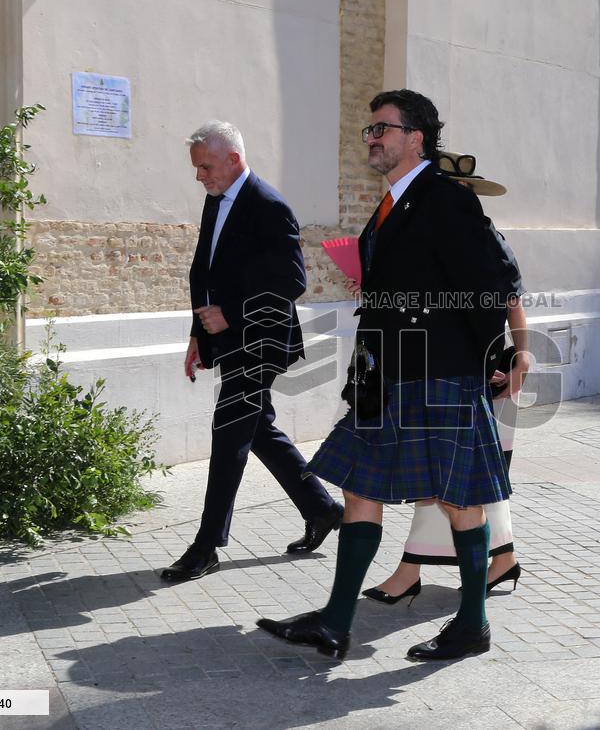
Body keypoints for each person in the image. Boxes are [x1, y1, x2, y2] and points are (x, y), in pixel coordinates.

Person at [256, 90, 515, 661]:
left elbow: (487, 287)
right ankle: (336, 620)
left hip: (437, 370)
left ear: (415, 137)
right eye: (369, 130)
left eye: (382, 129)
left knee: (460, 500)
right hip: (385, 371)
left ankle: (473, 623)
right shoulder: (392, 203)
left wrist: (493, 360)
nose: (372, 138)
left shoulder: (445, 199)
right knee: (360, 487)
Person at [160, 121, 344, 581]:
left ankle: (206, 546)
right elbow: (205, 271)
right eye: (198, 168)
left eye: (205, 166)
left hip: (260, 338)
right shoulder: (216, 199)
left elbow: (291, 282)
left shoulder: (268, 205)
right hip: (228, 336)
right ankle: (321, 509)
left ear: (233, 159)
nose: (200, 176)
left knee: (229, 435)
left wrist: (233, 316)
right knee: (257, 428)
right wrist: (197, 335)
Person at [362, 152, 526, 606]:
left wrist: (522, 357)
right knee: (459, 482)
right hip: (440, 366)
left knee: (458, 482)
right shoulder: (430, 233)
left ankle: (418, 570)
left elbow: (511, 300)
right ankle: (498, 558)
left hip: (479, 370)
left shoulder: (486, 237)